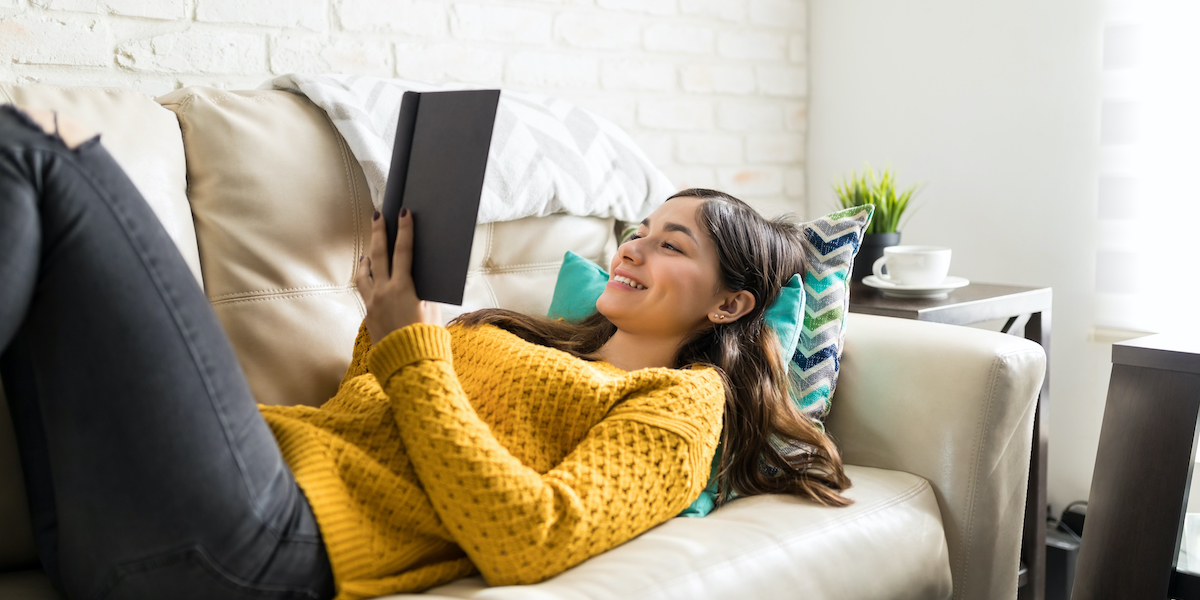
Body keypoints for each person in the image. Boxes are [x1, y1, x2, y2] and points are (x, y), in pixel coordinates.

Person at [0, 104, 850, 600]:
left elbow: (529, 537)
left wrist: (413, 340)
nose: (632, 249)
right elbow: (370, 406)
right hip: (130, 523)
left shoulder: (681, 406)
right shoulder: (530, 332)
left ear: (730, 303)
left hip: (263, 537)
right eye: (639, 231)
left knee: (37, 151)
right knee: (25, 147)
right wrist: (386, 314)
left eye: (672, 246)